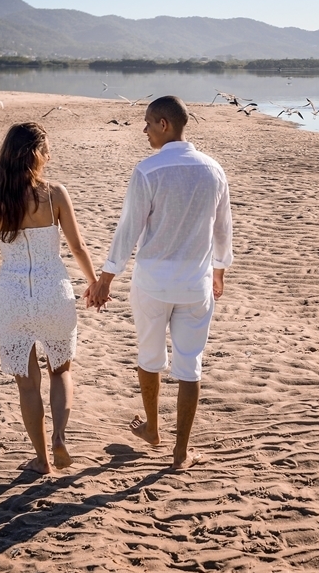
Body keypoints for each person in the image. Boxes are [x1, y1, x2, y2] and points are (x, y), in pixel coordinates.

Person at [87, 95, 232, 471]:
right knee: (190, 366)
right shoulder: (214, 170)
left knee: (149, 358)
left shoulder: (148, 171)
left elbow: (129, 228)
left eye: (149, 123)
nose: (145, 130)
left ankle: (153, 429)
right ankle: (181, 452)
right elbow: (223, 228)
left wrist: (106, 278)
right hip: (195, 285)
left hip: (152, 282)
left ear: (164, 124)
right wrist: (219, 269)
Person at [0, 122, 101, 474]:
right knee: (60, 372)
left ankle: (42, 460)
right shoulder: (54, 193)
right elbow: (77, 246)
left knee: (27, 384)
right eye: (47, 149)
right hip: (52, 292)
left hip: (12, 295)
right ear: (37, 154)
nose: (50, 155)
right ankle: (59, 437)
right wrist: (94, 282)